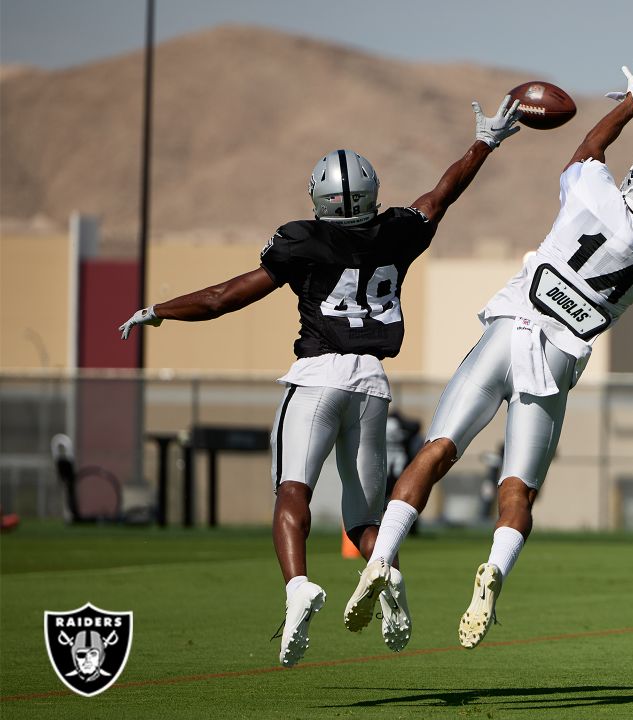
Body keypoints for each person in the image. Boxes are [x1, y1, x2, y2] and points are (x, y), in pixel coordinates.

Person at [116, 95, 524, 667]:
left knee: (293, 491)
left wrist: (159, 310)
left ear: (320, 199)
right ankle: (390, 584)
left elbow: (222, 298)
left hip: (318, 376)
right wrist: (485, 141)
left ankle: (298, 586)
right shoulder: (396, 231)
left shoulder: (302, 240)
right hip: (373, 385)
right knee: (363, 517)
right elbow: (442, 194)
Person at [343, 53, 633, 650]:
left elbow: (587, 151)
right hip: (556, 361)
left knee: (438, 449)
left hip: (509, 329)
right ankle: (494, 570)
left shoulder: (593, 192)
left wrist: (631, 103)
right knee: (517, 491)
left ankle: (382, 557)